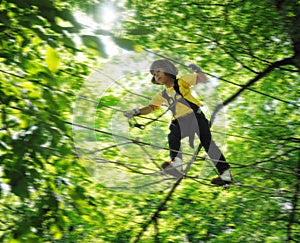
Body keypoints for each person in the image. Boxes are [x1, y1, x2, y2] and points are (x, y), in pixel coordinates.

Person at [124, 59, 233, 185]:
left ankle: (225, 174)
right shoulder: (162, 95)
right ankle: (177, 165)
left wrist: (197, 70)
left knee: (207, 143)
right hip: (180, 122)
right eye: (154, 74)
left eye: (159, 71)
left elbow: (202, 79)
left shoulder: (182, 82)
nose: (156, 75)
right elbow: (150, 108)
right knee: (172, 137)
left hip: (195, 117)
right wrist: (135, 111)